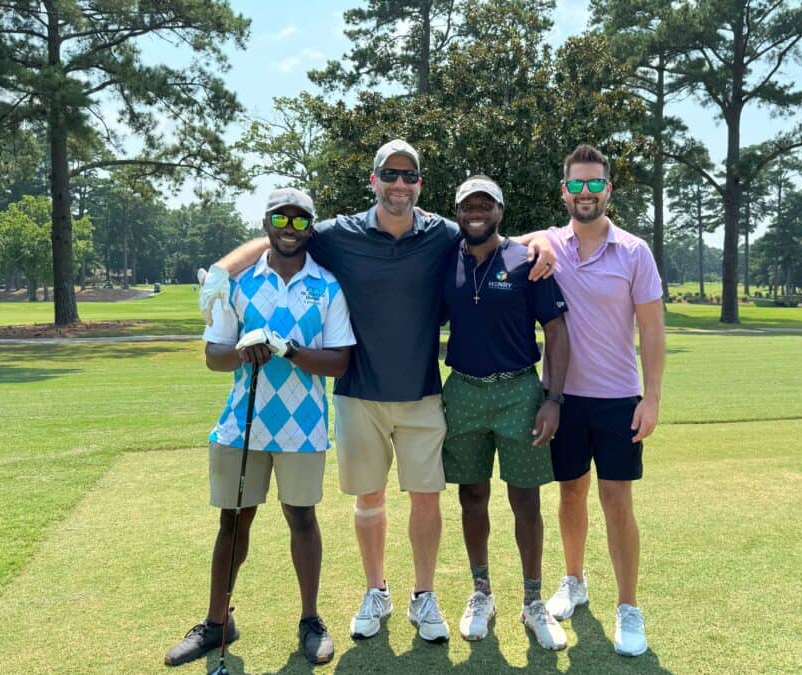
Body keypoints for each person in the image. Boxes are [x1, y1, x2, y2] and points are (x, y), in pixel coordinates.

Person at [198, 140, 558, 644]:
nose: (399, 184)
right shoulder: (338, 234)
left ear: (419, 186)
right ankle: (376, 590)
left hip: (422, 393)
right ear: (374, 180)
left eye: (409, 176)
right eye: (390, 174)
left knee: (426, 499)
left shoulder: (442, 233)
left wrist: (542, 243)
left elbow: (493, 234)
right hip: (358, 393)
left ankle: (424, 595)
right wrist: (221, 270)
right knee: (368, 499)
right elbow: (280, 236)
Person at [166, 188, 355, 667]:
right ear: (267, 223)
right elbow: (214, 355)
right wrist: (243, 350)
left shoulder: (328, 286)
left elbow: (338, 362)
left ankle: (310, 619)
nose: (289, 229)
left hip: (304, 426)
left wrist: (288, 349)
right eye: (280, 219)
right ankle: (216, 621)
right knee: (232, 520)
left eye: (298, 221)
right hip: (241, 422)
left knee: (302, 519)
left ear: (310, 227)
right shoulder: (239, 283)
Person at [533, 144, 666, 657]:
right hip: (563, 399)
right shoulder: (548, 243)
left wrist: (651, 398)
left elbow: (652, 331)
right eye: (576, 184)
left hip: (618, 400)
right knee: (570, 495)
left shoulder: (634, 252)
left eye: (595, 185)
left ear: (608, 190)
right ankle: (574, 581)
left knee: (617, 502)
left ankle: (628, 606)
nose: (585, 193)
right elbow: (510, 240)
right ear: (564, 190)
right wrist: (539, 246)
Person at [441, 176, 571, 650]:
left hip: (520, 390)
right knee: (471, 497)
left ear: (500, 210)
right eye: (467, 205)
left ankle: (533, 600)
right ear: (457, 212)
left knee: (526, 500)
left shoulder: (526, 259)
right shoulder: (445, 258)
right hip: (464, 392)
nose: (475, 212)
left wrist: (553, 399)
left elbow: (556, 330)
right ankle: (482, 592)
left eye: (485, 205)